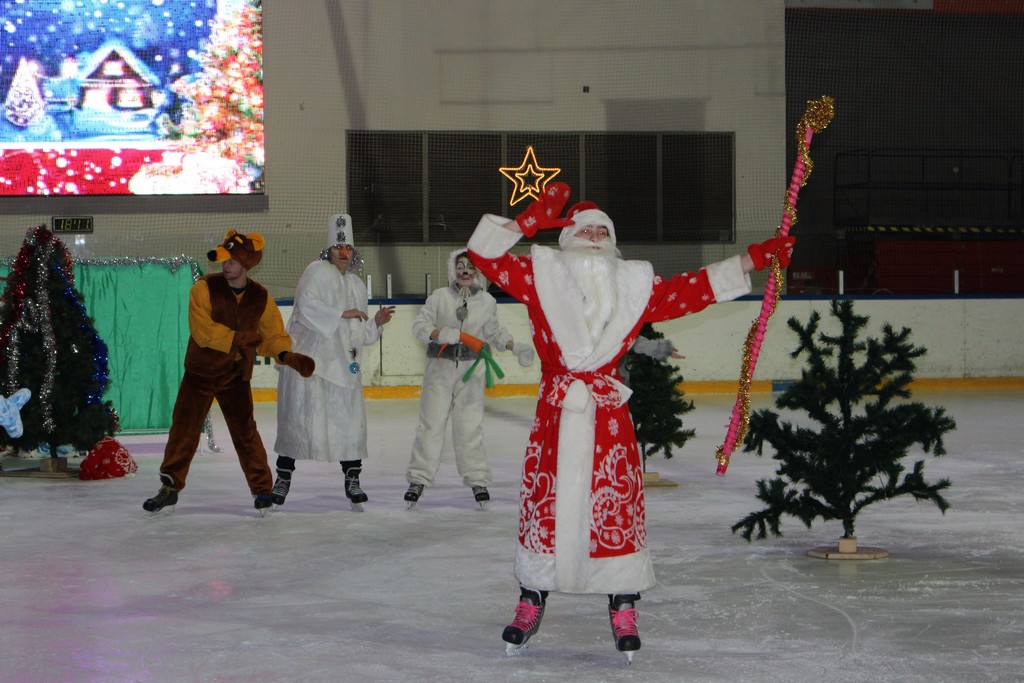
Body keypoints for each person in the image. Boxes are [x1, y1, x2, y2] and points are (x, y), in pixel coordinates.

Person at [467, 182, 794, 661]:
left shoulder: (636, 285)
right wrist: (525, 223)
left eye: (603, 231)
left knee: (614, 505)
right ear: (567, 239)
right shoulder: (539, 274)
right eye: (585, 230)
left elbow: (691, 290)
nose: (595, 237)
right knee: (546, 504)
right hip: (557, 413)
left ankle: (623, 602)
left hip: (608, 416)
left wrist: (751, 260)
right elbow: (482, 256)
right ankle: (531, 599)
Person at [143, 230, 316, 515]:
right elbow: (202, 331)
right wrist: (237, 338)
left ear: (246, 264)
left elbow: (273, 335)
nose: (226, 266)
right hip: (200, 373)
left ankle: (262, 489)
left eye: (232, 261)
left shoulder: (261, 296)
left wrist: (286, 355)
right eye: (224, 260)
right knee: (184, 430)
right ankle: (169, 488)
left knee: (245, 432)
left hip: (236, 375)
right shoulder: (203, 288)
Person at [271, 215, 395, 512]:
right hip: (311, 365)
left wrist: (375, 324)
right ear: (329, 250)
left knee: (349, 425)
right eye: (339, 247)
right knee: (298, 423)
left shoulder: (356, 285)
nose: (343, 252)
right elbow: (306, 306)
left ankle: (353, 480)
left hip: (344, 368)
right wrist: (341, 313)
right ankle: (283, 478)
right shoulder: (315, 271)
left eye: (348, 248)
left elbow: (359, 332)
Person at [403, 249, 534, 510]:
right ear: (453, 270)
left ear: (478, 272)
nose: (465, 271)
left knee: (469, 427)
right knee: (430, 425)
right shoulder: (439, 297)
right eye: (460, 266)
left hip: (472, 372)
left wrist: (515, 346)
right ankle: (418, 478)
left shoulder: (487, 301)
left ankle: (477, 479)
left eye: (470, 267)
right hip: (439, 369)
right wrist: (441, 334)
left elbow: (494, 332)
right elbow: (419, 326)